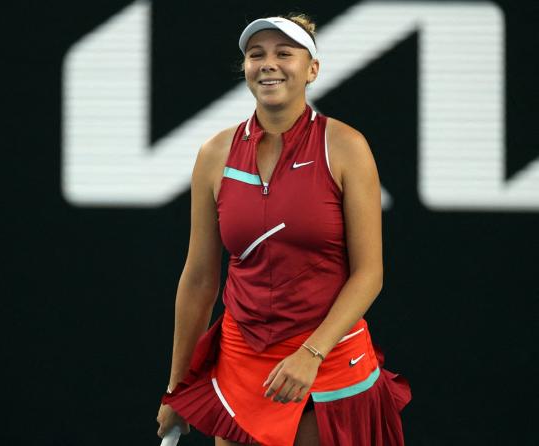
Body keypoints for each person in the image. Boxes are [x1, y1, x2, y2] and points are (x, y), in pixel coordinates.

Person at [156, 13, 411, 446]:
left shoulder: (347, 147)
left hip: (326, 363)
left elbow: (369, 274)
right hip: (240, 365)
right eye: (256, 55)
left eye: (284, 54)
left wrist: (311, 354)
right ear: (246, 69)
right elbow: (199, 278)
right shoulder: (215, 154)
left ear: (312, 70)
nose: (268, 63)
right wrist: (176, 386)